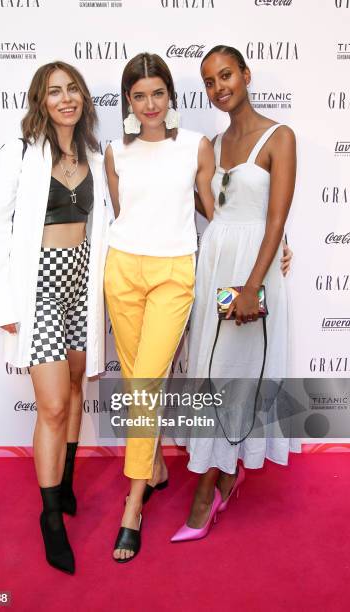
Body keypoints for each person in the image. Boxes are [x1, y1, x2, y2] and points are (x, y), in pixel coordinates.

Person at [0, 61, 111, 573]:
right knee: (53, 404)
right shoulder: (18, 153)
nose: (66, 98)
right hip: (39, 288)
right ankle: (51, 515)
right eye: (54, 91)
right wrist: (4, 305)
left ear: (82, 98)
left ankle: (68, 482)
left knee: (78, 388)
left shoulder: (96, 156)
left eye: (72, 88)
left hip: (83, 285)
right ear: (41, 100)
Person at [171, 45, 300, 543]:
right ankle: (227, 471)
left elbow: (276, 218)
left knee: (236, 374)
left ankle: (207, 491)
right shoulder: (215, 142)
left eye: (226, 75)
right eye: (209, 80)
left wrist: (253, 285)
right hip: (215, 264)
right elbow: (214, 209)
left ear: (246, 74)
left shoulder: (279, 136)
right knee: (211, 372)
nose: (219, 86)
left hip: (252, 272)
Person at [103, 52, 215, 562]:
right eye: (139, 95)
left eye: (158, 93)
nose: (149, 104)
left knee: (146, 382)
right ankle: (156, 469)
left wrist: (267, 244)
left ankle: (133, 505)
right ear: (129, 100)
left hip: (174, 272)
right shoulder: (114, 152)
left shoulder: (196, 146)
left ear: (171, 95)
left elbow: (214, 211)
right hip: (122, 270)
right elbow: (121, 214)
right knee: (135, 383)